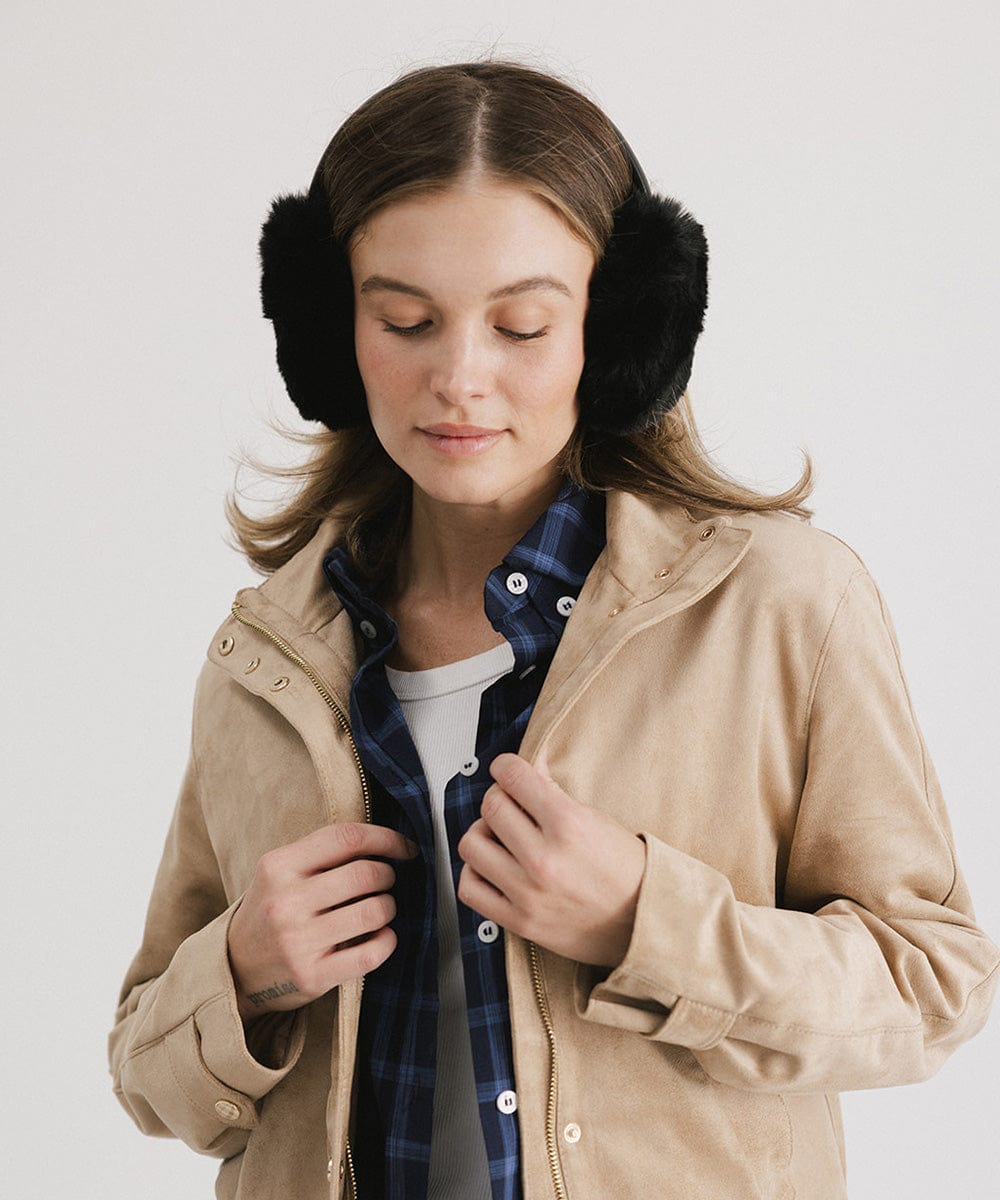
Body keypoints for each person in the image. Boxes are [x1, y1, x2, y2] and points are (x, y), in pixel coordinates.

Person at [108, 61, 999, 1200]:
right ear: (330, 333)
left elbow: (932, 988)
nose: (459, 378)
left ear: (621, 330)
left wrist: (646, 921)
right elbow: (144, 1066)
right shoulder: (271, 655)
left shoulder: (782, 605)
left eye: (522, 324)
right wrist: (240, 975)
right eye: (405, 320)